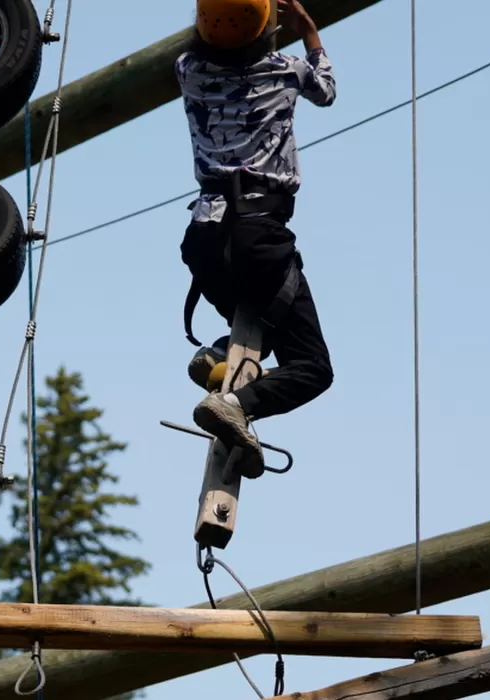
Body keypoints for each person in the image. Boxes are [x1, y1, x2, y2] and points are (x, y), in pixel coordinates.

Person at [176, 0, 336, 479]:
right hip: (258, 235)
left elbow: (203, 44)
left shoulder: (187, 71)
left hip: (204, 239)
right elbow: (326, 89)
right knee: (312, 366)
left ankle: (222, 353)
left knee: (257, 323)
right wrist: (310, 32)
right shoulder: (287, 70)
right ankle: (238, 405)